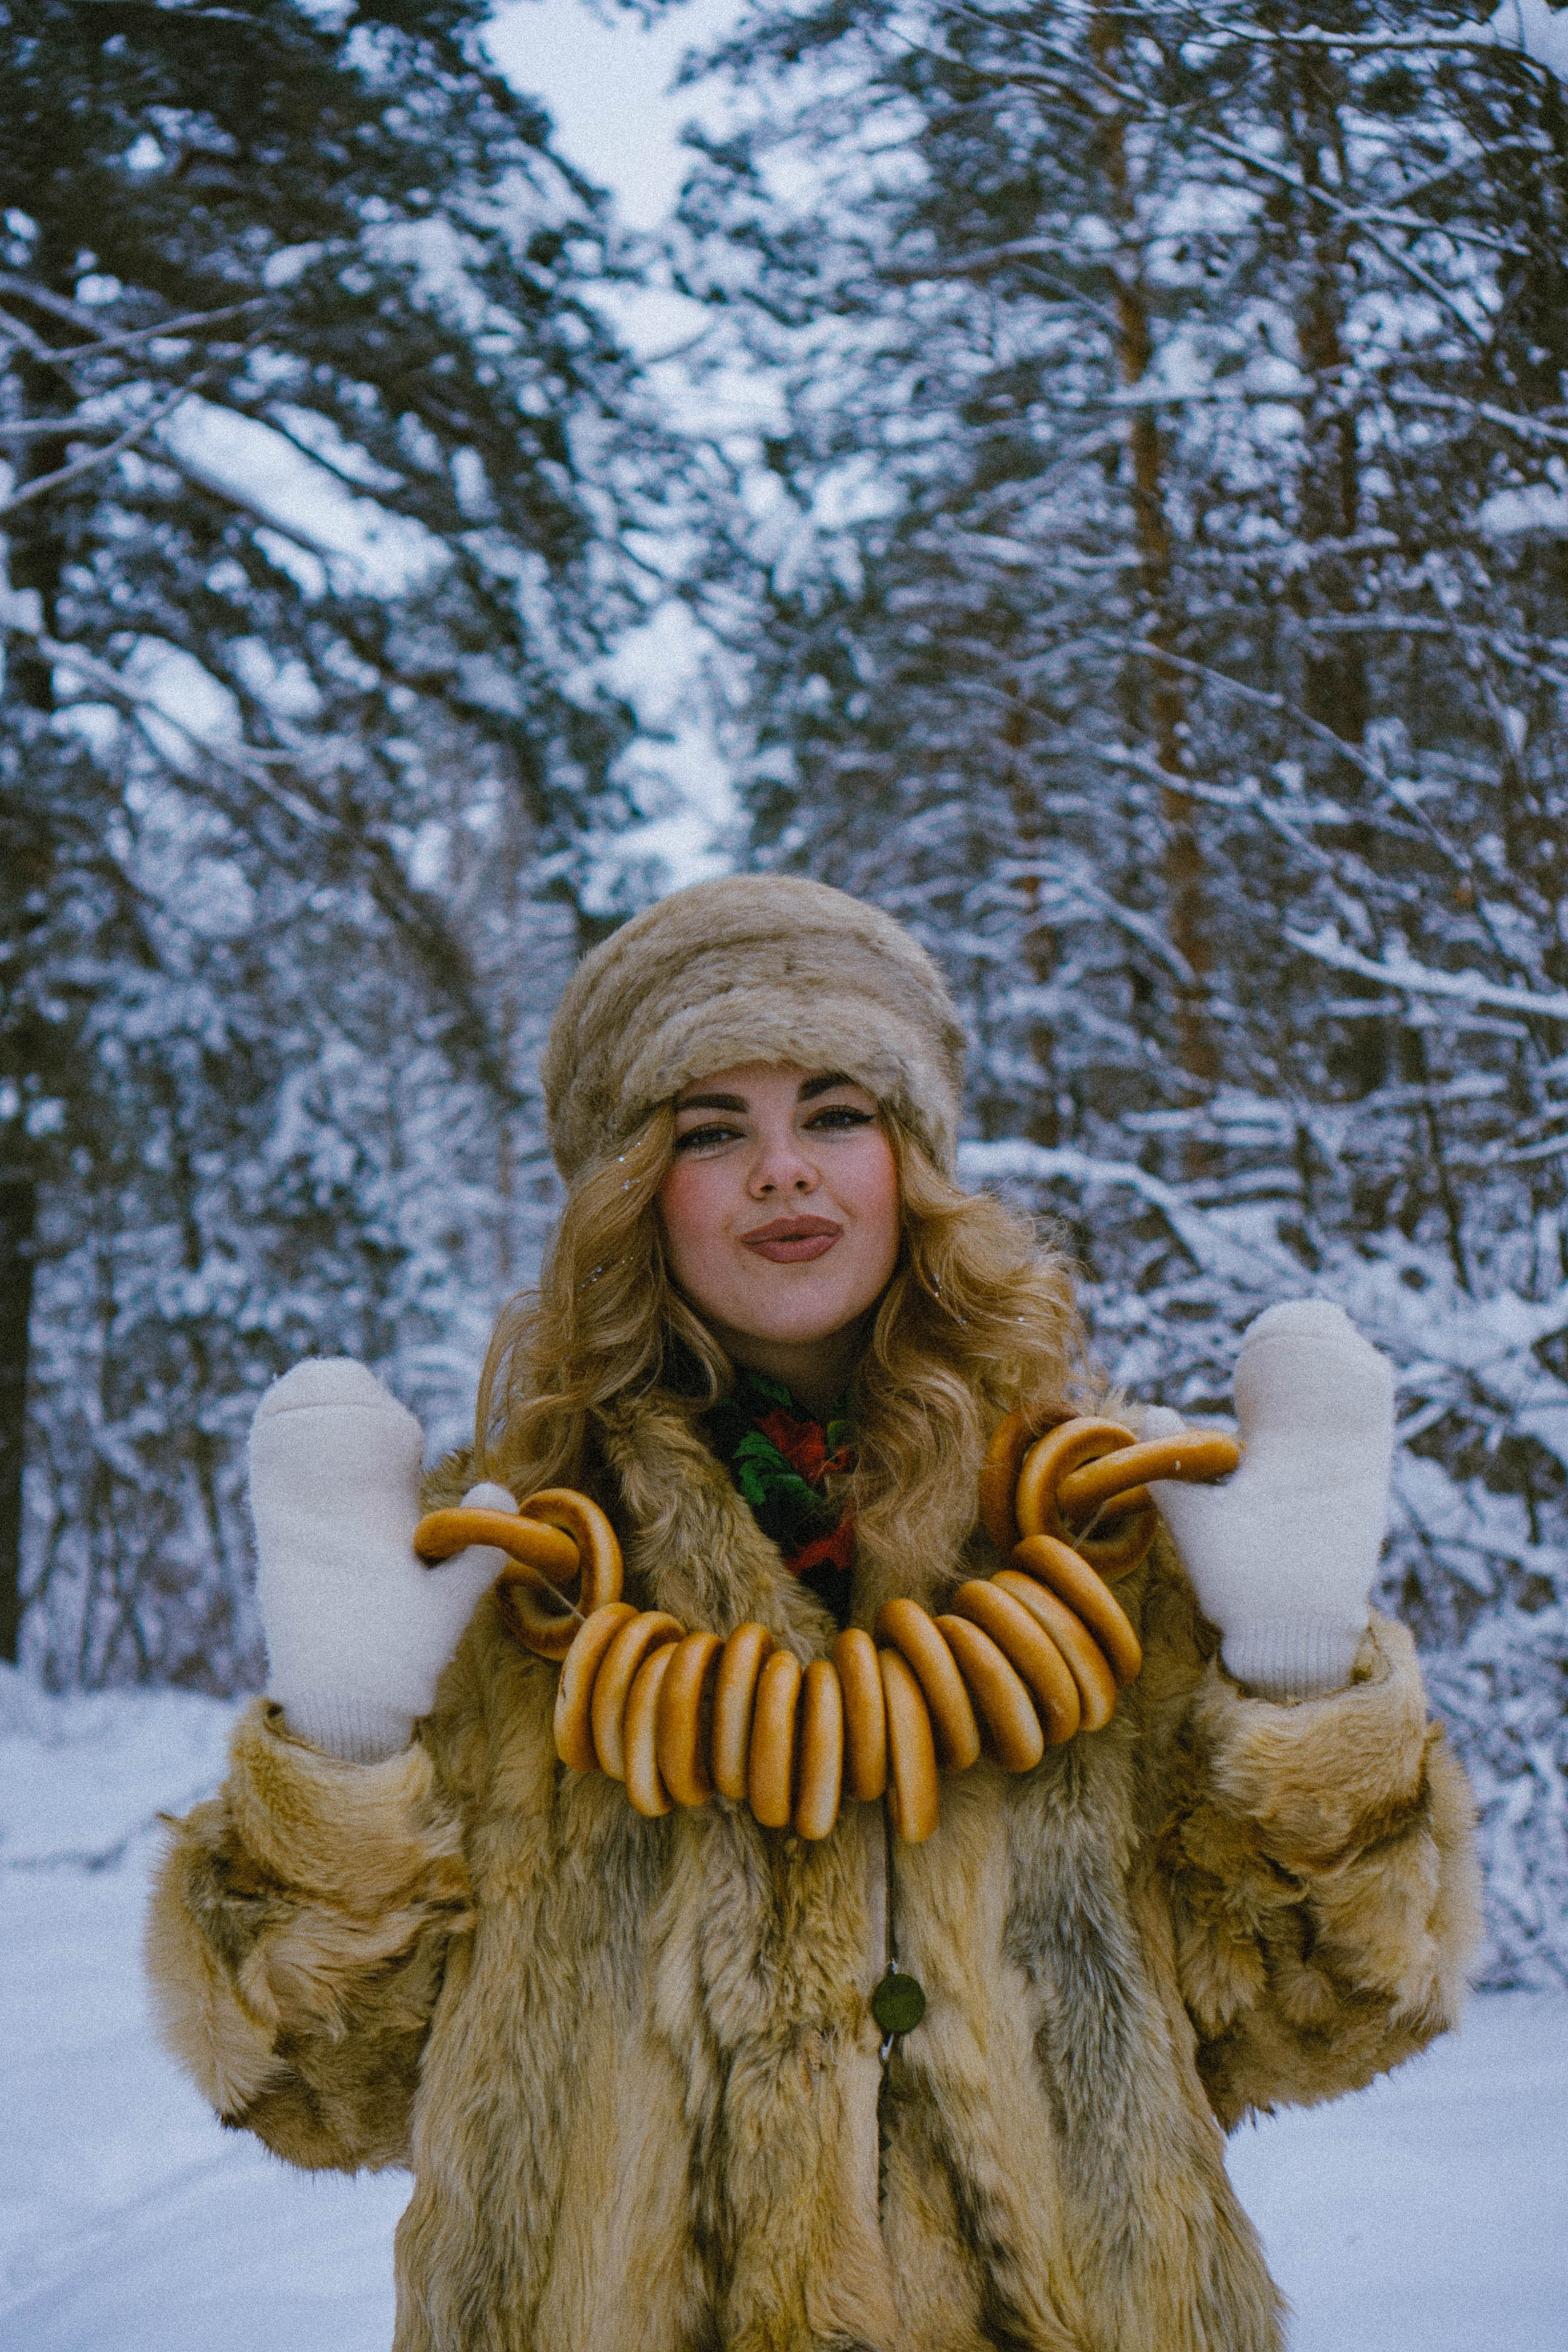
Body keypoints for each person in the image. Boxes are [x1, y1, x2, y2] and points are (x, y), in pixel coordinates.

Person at [146, 874, 1480, 2352]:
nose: (783, 1170)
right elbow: (318, 2090)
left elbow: (1324, 2014)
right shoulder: (494, 1579)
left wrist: (1297, 1683)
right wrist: (342, 1744)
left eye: (835, 1113)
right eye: (711, 1131)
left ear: (912, 1161)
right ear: (629, 1191)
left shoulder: (1106, 1543)